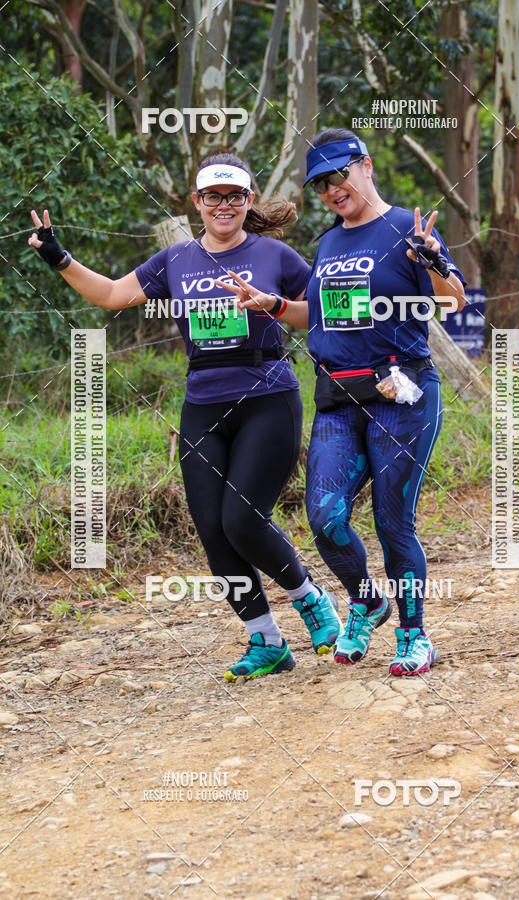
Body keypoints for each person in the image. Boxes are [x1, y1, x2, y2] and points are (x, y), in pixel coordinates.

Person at [27, 152, 341, 682]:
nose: (224, 205)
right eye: (213, 196)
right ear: (197, 202)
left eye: (235, 196)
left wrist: (270, 304)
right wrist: (59, 258)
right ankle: (265, 641)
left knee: (242, 519)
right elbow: (110, 295)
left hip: (267, 399)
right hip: (203, 406)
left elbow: (323, 308)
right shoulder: (175, 260)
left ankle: (308, 597)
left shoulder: (276, 254)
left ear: (248, 201)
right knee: (215, 533)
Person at [301, 128, 467, 675]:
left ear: (365, 166)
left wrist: (435, 259)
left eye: (338, 176)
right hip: (338, 399)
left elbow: (455, 299)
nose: (331, 190)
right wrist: (273, 304)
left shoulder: (405, 229)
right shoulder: (327, 242)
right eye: (321, 184)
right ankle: (367, 600)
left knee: (393, 522)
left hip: (402, 395)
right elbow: (320, 316)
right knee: (325, 517)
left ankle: (414, 635)